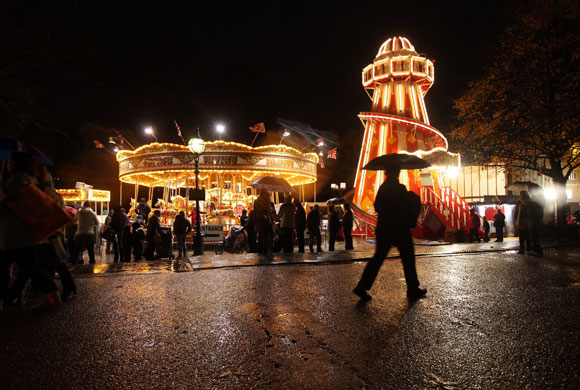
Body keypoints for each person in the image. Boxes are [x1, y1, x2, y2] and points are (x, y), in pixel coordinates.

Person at [353, 167, 426, 301]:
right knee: (408, 257)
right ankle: (412, 287)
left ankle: (362, 286)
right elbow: (405, 206)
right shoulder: (400, 188)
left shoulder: (382, 188)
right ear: (396, 174)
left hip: (384, 228)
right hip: (399, 228)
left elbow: (377, 207)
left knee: (378, 258)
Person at [0, 152, 61, 308]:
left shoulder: (17, 181)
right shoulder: (29, 180)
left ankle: (52, 295)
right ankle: (9, 297)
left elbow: (9, 200)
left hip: (16, 231)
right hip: (21, 232)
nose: (8, 164)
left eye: (10, 161)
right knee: (28, 266)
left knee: (29, 266)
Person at [253, 189, 272, 255]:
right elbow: (269, 210)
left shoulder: (257, 201)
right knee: (264, 236)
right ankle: (264, 250)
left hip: (259, 220)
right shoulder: (263, 202)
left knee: (261, 236)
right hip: (264, 220)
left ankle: (261, 250)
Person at [528, 191, 544, 256]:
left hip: (534, 220)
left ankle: (537, 250)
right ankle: (535, 249)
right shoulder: (536, 201)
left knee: (534, 235)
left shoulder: (535, 202)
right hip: (533, 219)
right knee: (532, 236)